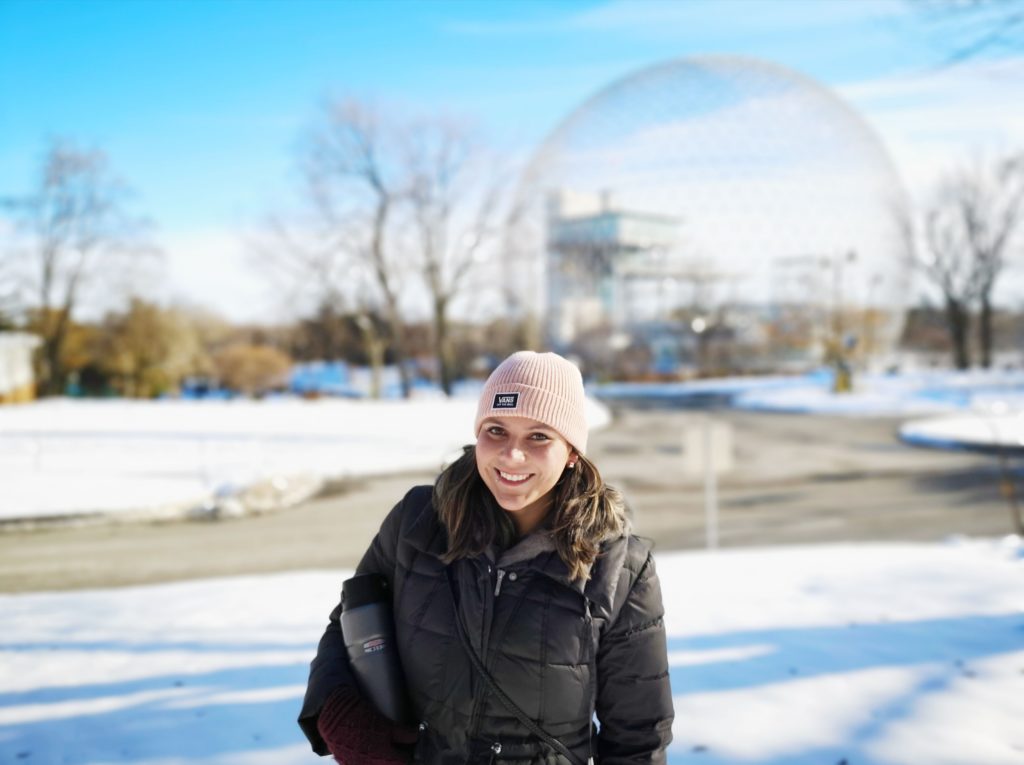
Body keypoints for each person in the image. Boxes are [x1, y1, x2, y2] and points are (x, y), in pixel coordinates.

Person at [299, 351, 674, 765]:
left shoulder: (620, 568)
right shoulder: (418, 521)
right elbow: (350, 621)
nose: (512, 456)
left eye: (539, 436)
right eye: (496, 430)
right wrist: (335, 705)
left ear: (572, 453)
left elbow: (638, 739)